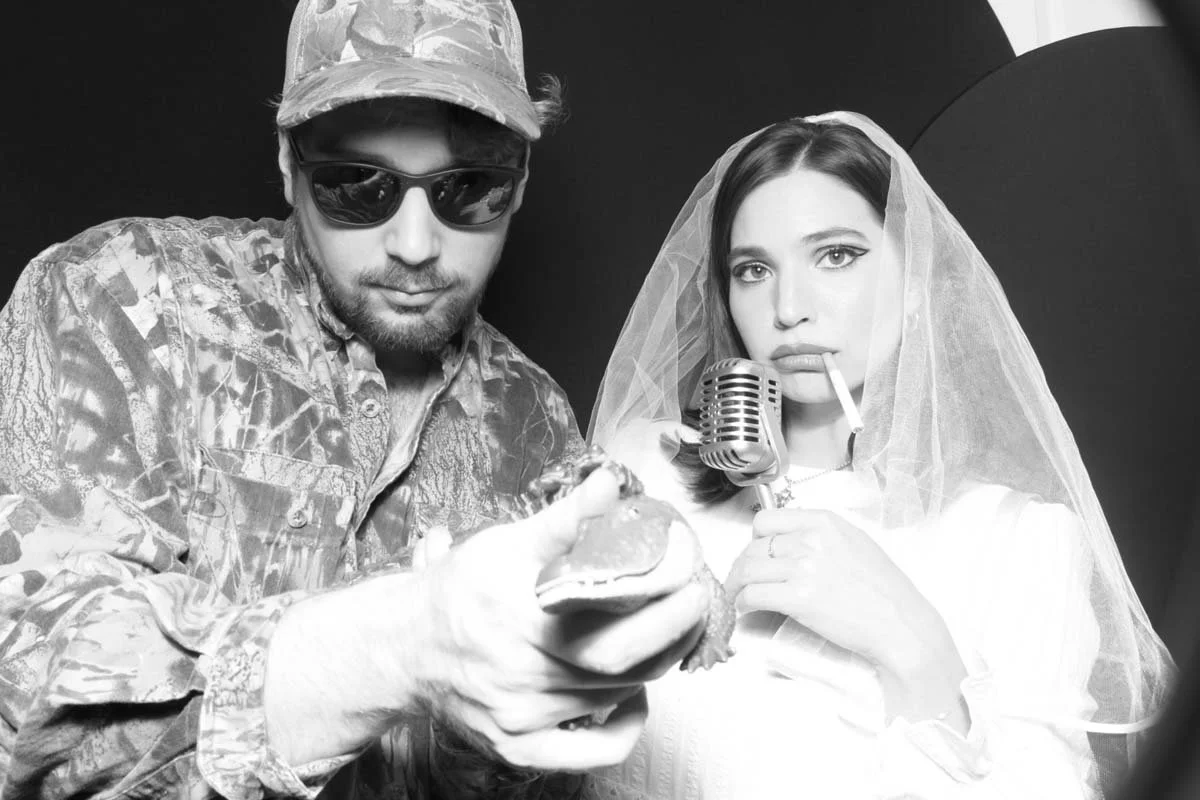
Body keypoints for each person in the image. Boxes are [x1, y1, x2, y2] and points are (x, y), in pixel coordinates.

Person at [0, 1, 709, 798]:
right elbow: (28, 684)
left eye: (469, 189)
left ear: (520, 185)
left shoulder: (535, 418)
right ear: (287, 165)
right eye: (356, 186)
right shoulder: (124, 298)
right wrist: (401, 649)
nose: (414, 246)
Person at [585, 111, 1175, 798]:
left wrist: (909, 637)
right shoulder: (640, 475)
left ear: (918, 277)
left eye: (836, 255)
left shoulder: (1023, 543)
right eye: (752, 270)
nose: (790, 308)